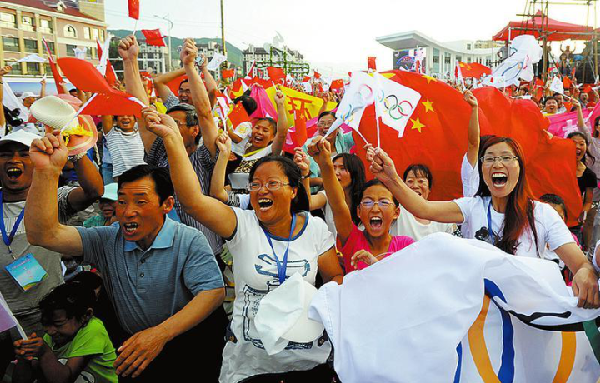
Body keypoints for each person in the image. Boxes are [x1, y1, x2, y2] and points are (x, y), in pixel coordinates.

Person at [141, 107, 344, 383]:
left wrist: (323, 305)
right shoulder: (242, 224)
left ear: (294, 190)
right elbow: (193, 202)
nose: (262, 190)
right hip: (251, 364)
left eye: (272, 183)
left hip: (306, 363)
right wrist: (172, 139)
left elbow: (334, 276)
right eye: (255, 184)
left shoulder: (315, 228)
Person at [24, 134, 227, 381]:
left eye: (140, 201)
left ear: (167, 204)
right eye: (122, 202)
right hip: (132, 350)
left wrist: (158, 335)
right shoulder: (107, 239)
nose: (127, 212)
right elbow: (42, 234)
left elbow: (213, 292)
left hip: (187, 348)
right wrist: (46, 171)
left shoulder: (189, 239)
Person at [366, 137, 599, 308]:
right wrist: (392, 178)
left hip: (527, 315)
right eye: (490, 159)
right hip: (478, 316)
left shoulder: (543, 214)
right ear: (483, 171)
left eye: (506, 158)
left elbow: (581, 265)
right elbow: (422, 208)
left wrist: (586, 274)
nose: (498, 164)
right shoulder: (471, 206)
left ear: (520, 168)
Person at [0, 130, 103, 377]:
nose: (14, 160)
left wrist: (76, 151)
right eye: (5, 154)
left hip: (48, 318)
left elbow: (93, 192)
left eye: (25, 154)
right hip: (3, 319)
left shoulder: (51, 199)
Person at [120, 35, 225, 258]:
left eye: (175, 123)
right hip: (166, 250)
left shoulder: (205, 156)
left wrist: (189, 66)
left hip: (204, 250)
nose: (168, 126)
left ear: (194, 130)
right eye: (166, 121)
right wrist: (130, 62)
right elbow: (141, 110)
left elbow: (205, 112)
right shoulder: (160, 152)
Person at [308, 136, 414, 272]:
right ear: (358, 211)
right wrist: (325, 163)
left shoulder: (406, 245)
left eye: (383, 202)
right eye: (368, 202)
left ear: (396, 212)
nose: (375, 208)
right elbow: (338, 203)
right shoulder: (351, 239)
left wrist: (375, 264)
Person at [12, 282, 118, 383]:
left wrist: (44, 353)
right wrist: (25, 357)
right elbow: (25, 378)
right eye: (45, 324)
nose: (50, 331)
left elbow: (64, 380)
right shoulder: (51, 337)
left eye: (58, 323)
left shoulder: (93, 329)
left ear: (86, 315)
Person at [296, 149, 365, 240]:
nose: (336, 173)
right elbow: (308, 203)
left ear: (355, 173)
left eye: (342, 168)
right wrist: (304, 174)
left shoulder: (367, 198)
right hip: (336, 252)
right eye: (334, 168)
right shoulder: (327, 195)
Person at [227, 90, 290, 192]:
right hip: (230, 199)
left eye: (265, 130)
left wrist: (280, 104)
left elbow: (282, 133)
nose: (259, 132)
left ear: (273, 137)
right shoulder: (243, 148)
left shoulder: (270, 152)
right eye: (257, 128)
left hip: (253, 202)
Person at [302, 111, 354, 193]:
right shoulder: (308, 146)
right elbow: (301, 178)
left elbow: (361, 131)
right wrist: (322, 181)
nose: (326, 126)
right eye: (322, 123)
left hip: (342, 192)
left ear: (338, 126)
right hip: (316, 194)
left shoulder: (344, 140)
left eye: (330, 123)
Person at [567, 130, 597, 248]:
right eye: (573, 143)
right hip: (555, 217)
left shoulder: (589, 175)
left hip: (574, 223)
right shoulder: (557, 167)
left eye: (581, 144)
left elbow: (588, 201)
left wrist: (582, 215)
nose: (578, 147)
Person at [102, 114, 146, 179]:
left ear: (135, 119)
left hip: (141, 177)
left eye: (129, 115)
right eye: (121, 115)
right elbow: (106, 114)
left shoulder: (142, 133)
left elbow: (144, 109)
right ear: (116, 120)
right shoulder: (112, 134)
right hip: (121, 179)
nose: (125, 117)